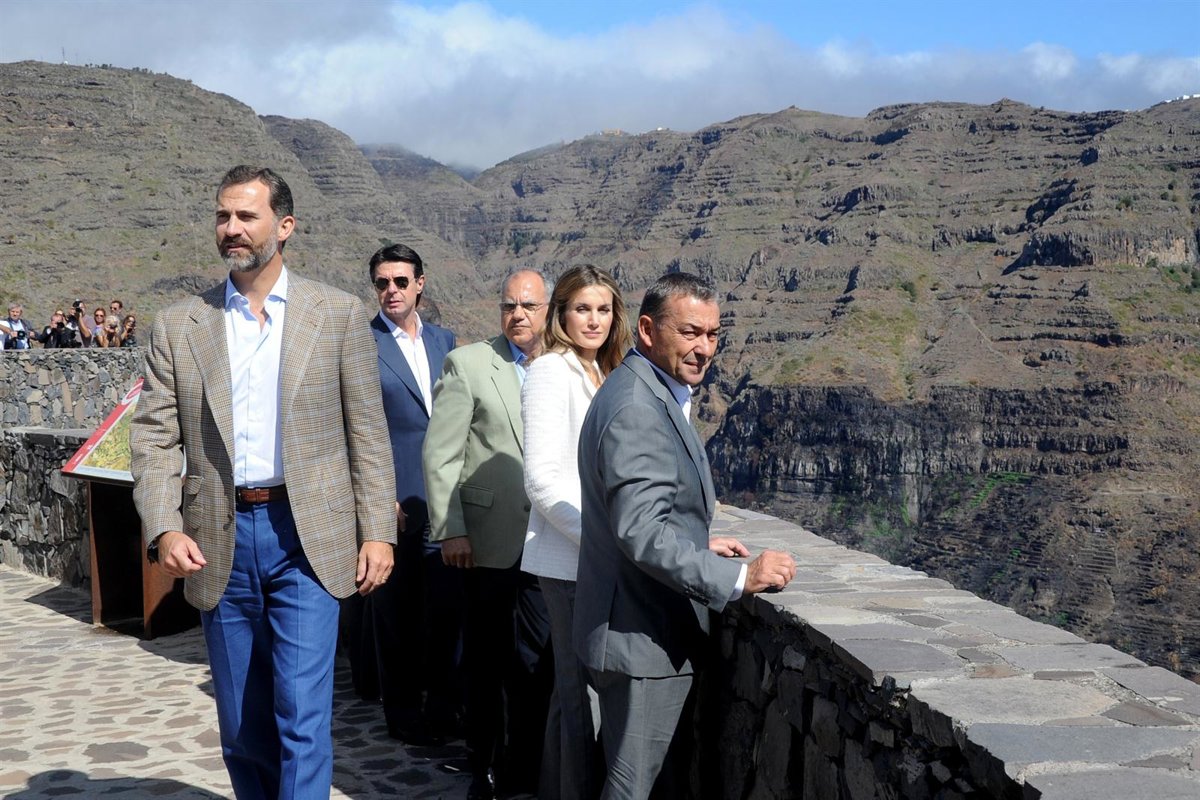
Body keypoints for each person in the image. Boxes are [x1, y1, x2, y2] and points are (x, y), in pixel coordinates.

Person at [130, 165, 397, 800]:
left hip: (308, 538)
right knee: (243, 727)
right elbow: (154, 439)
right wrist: (164, 526)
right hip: (218, 539)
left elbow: (367, 432)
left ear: (285, 225)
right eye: (223, 216)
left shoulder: (336, 314)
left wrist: (378, 532)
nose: (232, 229)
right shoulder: (180, 325)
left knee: (303, 718)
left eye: (246, 216)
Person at [574, 272, 797, 799]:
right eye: (690, 332)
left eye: (713, 334)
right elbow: (641, 531)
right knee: (633, 788)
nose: (705, 348)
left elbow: (646, 512)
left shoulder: (643, 388)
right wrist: (739, 578)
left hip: (635, 630)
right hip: (642, 638)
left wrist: (694, 541)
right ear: (647, 330)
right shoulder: (637, 407)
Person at [423, 269, 556, 800]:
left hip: (551, 543)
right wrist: (451, 529)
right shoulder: (470, 364)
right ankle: (484, 765)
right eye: (508, 305)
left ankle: (528, 766)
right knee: (486, 662)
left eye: (528, 305)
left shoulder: (566, 367)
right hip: (486, 543)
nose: (517, 314)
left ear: (548, 309)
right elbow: (441, 454)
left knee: (537, 660)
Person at [520, 265, 631, 800]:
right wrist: (605, 546)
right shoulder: (549, 371)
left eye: (603, 309)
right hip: (570, 562)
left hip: (604, 560)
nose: (594, 320)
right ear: (561, 314)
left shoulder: (608, 372)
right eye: (582, 309)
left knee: (579, 697)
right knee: (578, 698)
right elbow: (542, 480)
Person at [350, 242, 461, 745]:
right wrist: (374, 499)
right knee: (395, 613)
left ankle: (443, 707)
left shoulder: (444, 340)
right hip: (392, 501)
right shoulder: (361, 343)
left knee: (445, 608)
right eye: (381, 283)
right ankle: (402, 714)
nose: (390, 290)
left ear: (420, 283)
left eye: (400, 281)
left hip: (444, 499)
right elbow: (348, 428)